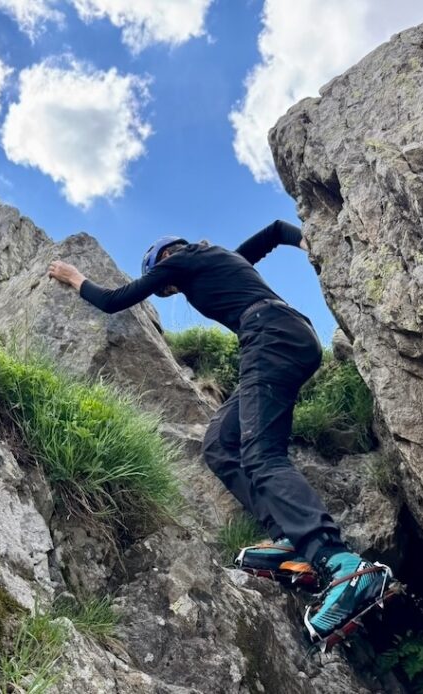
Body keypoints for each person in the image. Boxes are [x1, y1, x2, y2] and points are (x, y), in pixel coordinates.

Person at [47, 221, 392, 643]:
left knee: (263, 454)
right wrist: (306, 243)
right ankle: (290, 540)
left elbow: (115, 300)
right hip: (290, 335)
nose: (168, 292)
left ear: (163, 260)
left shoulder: (182, 261)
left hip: (268, 335)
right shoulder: (221, 259)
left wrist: (74, 277)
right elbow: (276, 230)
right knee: (219, 445)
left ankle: (341, 564)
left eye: (165, 287)